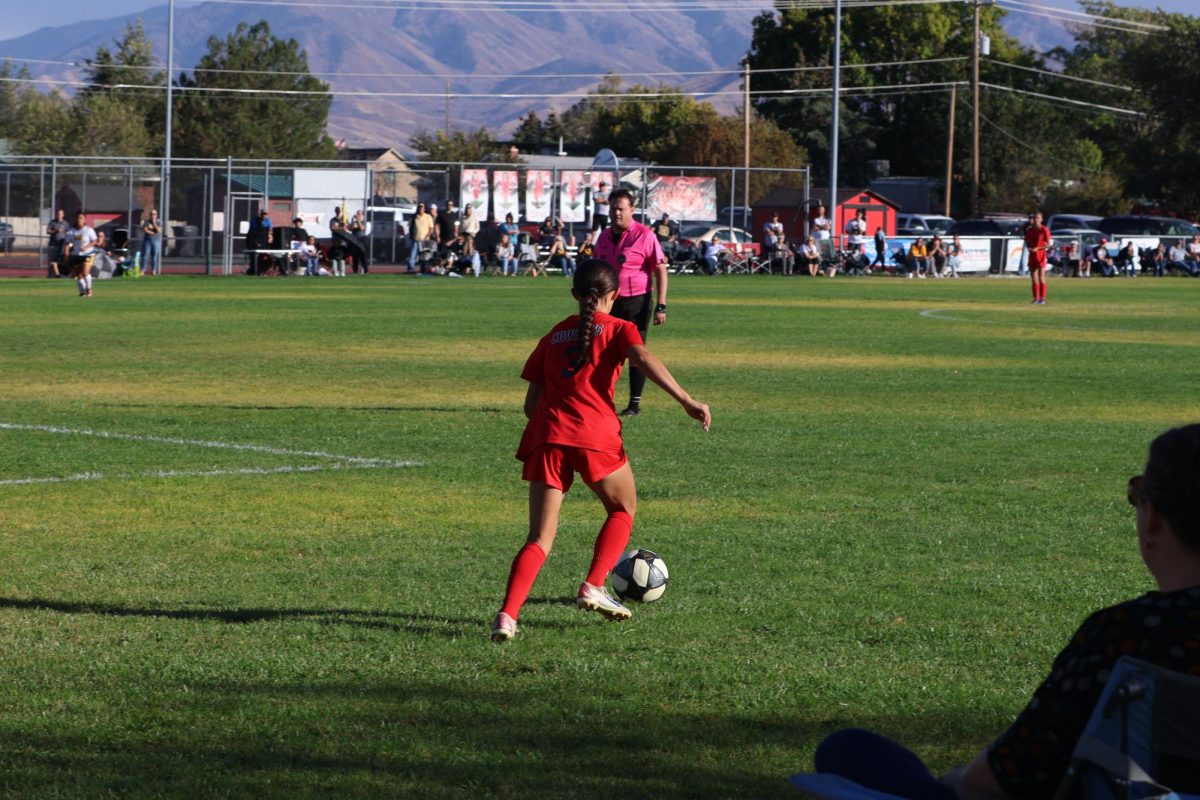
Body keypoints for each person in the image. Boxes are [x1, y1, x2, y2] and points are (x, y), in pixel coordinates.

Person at [807, 423, 1200, 800]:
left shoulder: (1128, 634)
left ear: (1153, 517)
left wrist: (962, 779)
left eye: (1138, 495)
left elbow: (1010, 777)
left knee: (848, 750)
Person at [489, 259, 710, 642]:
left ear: (575, 295)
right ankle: (593, 583)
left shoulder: (553, 335)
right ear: (616, 295)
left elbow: (530, 405)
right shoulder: (620, 328)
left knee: (539, 539)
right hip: (595, 436)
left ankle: (507, 617)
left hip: (549, 436)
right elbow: (642, 357)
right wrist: (686, 399)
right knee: (622, 510)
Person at [593, 189, 668, 418]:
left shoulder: (645, 235)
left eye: (621, 209)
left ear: (632, 210)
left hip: (636, 301)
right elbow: (596, 266)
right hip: (608, 302)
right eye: (613, 208)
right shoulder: (604, 236)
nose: (616, 213)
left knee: (635, 352)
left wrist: (661, 305)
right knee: (603, 350)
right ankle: (600, 400)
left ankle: (634, 405)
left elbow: (661, 270)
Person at [62, 211, 98, 298]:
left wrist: (87, 247)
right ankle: (82, 292)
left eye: (81, 218)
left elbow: (94, 241)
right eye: (77, 218)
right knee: (78, 274)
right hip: (77, 255)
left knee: (85, 272)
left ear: (85, 220)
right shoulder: (72, 232)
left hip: (88, 254)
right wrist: (66, 253)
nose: (79, 220)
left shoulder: (89, 230)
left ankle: (89, 290)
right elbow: (67, 243)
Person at [407, 202, 432, 272]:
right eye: (419, 207)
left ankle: (423, 269)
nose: (421, 208)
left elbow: (431, 228)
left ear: (424, 208)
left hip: (425, 241)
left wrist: (426, 236)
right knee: (413, 255)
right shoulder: (413, 217)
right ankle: (410, 269)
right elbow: (410, 227)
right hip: (415, 239)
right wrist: (411, 236)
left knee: (423, 256)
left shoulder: (428, 217)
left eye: (422, 207)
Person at [46, 208, 69, 278]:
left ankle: (58, 276)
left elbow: (68, 233)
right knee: (51, 262)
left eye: (61, 214)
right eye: (58, 214)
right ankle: (50, 276)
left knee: (59, 262)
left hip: (61, 246)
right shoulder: (52, 222)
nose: (59, 215)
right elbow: (48, 231)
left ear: (63, 215)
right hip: (53, 246)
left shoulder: (65, 223)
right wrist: (55, 231)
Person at [139, 208, 162, 276]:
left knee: (154, 256)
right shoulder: (147, 221)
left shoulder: (158, 222)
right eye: (151, 214)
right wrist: (151, 232)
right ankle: (143, 270)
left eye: (154, 214)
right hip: (147, 241)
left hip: (156, 241)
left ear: (156, 215)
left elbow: (158, 230)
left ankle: (153, 270)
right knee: (145, 256)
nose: (153, 215)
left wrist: (154, 224)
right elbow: (145, 229)